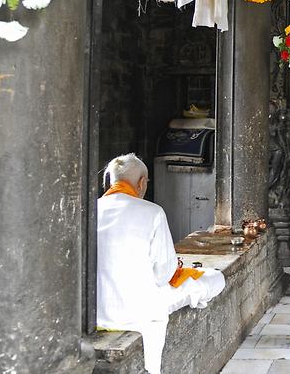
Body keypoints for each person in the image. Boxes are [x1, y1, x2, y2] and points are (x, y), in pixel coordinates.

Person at [97, 153, 226, 374]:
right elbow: (163, 275)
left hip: (97, 309)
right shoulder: (152, 212)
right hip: (138, 309)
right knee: (215, 278)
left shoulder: (91, 211)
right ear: (141, 183)